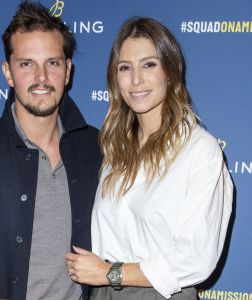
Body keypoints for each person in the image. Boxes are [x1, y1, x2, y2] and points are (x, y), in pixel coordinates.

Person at [65, 17, 233, 300]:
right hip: (104, 294)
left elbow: (197, 258)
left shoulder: (198, 150)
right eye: (125, 67)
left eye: (149, 64)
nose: (136, 80)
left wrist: (110, 272)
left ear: (170, 71)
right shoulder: (114, 150)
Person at [0, 2, 101, 300]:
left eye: (53, 63)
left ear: (68, 71)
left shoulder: (99, 150)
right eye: (26, 64)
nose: (41, 77)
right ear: (8, 73)